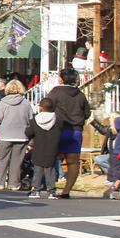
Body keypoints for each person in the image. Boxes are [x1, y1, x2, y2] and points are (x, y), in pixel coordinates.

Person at [47, 67, 90, 198]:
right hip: (76, 131)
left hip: (58, 130)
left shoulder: (55, 92)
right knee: (73, 162)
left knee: (51, 159)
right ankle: (66, 191)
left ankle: (50, 188)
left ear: (61, 79)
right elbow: (87, 113)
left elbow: (47, 106)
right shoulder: (80, 94)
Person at [0, 80, 33, 190]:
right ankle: (14, 184)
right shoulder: (26, 103)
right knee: (17, 161)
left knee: (2, 159)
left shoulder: (2, 103)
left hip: (5, 135)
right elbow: (31, 119)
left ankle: (0, 182)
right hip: (22, 136)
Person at [26, 97, 61, 199]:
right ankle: (51, 191)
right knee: (50, 170)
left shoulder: (35, 120)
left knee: (38, 170)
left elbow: (28, 132)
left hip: (38, 148)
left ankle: (36, 190)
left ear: (40, 108)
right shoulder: (58, 120)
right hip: (52, 148)